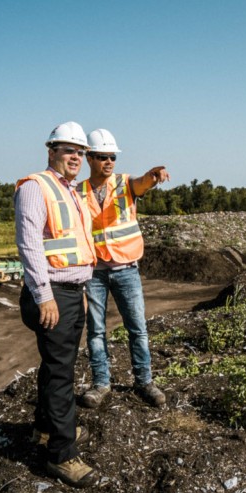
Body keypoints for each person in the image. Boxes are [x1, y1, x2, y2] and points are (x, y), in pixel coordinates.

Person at [14, 121, 99, 488]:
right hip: (50, 294)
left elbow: (71, 247)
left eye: (79, 151)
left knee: (55, 366)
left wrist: (78, 285)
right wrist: (45, 295)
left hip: (68, 291)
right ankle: (62, 455)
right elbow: (30, 244)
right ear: (51, 151)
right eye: (68, 150)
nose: (75, 157)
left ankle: (44, 429)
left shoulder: (71, 190)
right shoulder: (36, 187)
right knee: (62, 373)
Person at [76, 128, 170, 409]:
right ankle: (101, 384)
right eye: (103, 156)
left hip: (126, 269)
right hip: (94, 271)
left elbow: (141, 184)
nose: (109, 161)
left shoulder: (124, 183)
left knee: (137, 328)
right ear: (89, 157)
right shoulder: (78, 192)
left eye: (112, 156)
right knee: (95, 330)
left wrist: (152, 177)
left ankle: (144, 381)